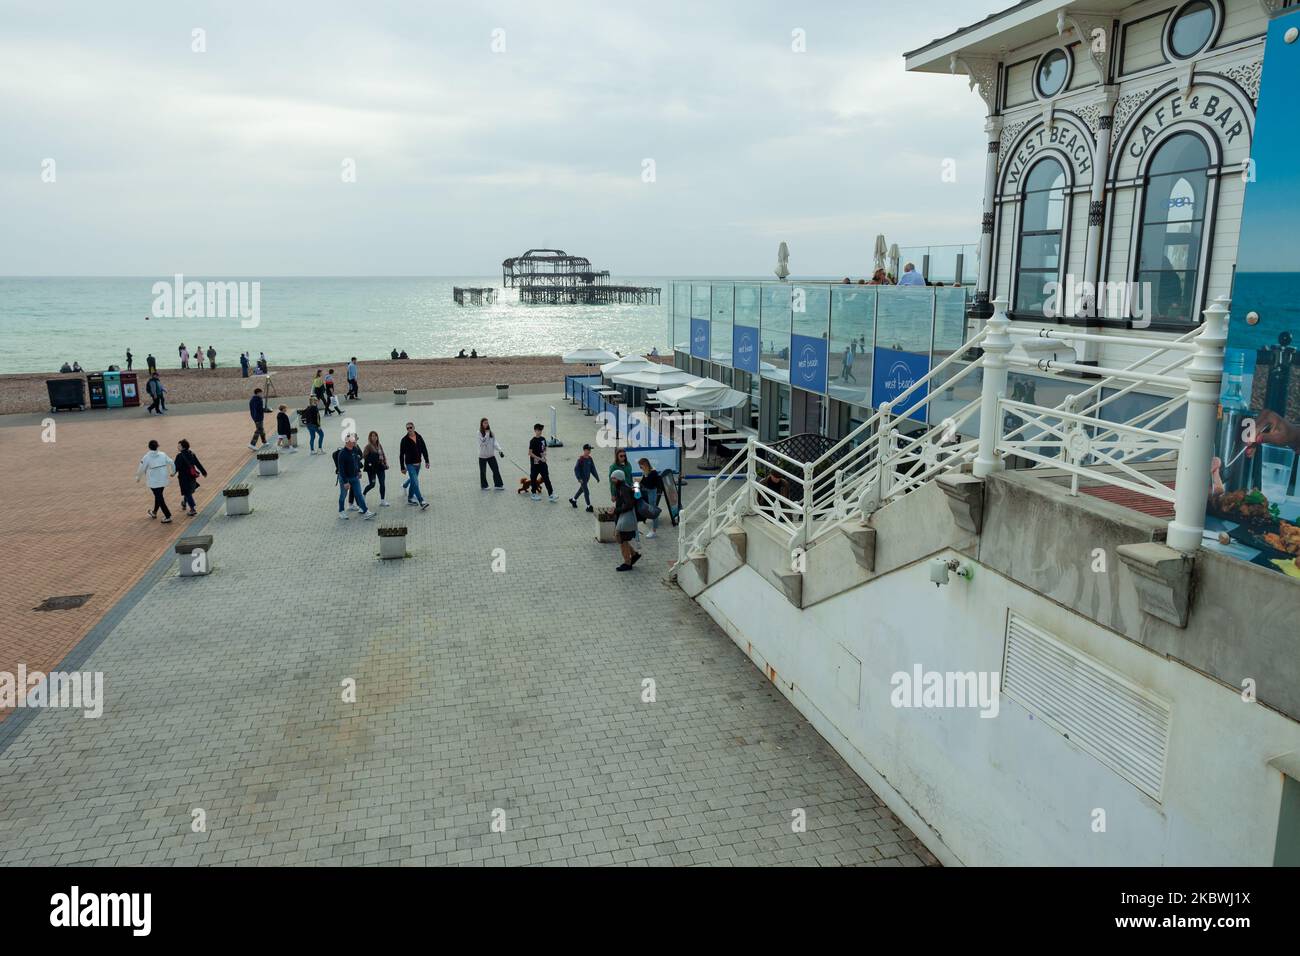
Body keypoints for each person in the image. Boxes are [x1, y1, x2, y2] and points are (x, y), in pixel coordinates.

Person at [333, 434, 376, 520]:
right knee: (343, 495)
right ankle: (341, 511)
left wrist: (359, 471)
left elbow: (356, 461)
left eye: (354, 441)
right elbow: (341, 469)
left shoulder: (355, 449)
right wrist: (345, 482)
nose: (354, 442)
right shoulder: (342, 454)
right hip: (345, 478)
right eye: (352, 441)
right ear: (347, 442)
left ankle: (366, 511)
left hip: (355, 477)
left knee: (359, 494)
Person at [136, 439, 176, 523]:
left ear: (149, 447)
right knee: (158, 496)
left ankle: (168, 516)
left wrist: (138, 477)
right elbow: (172, 462)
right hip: (163, 480)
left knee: (159, 497)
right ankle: (154, 512)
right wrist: (173, 472)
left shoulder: (146, 457)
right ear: (158, 446)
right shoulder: (163, 454)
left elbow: (141, 468)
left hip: (153, 482)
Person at [609, 472, 642, 571]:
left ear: (619, 479)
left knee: (621, 539)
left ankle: (627, 563)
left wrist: (616, 510)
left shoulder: (623, 488)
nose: (612, 480)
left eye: (614, 479)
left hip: (625, 518)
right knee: (621, 539)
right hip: (621, 517)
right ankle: (634, 554)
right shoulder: (621, 487)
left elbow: (628, 505)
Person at [399, 422, 431, 510]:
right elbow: (401, 454)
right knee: (416, 482)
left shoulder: (419, 437)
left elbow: (424, 449)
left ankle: (408, 493)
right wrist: (402, 467)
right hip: (410, 464)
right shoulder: (404, 440)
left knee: (413, 481)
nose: (409, 429)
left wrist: (427, 461)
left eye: (410, 427)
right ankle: (422, 501)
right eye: (407, 428)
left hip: (418, 464)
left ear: (414, 427)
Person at [174, 438, 207, 517]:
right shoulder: (191, 453)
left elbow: (176, 467)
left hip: (183, 477)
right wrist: (203, 472)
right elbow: (197, 463)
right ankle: (184, 502)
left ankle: (192, 509)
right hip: (192, 476)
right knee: (188, 490)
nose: (177, 447)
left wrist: (173, 473)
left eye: (179, 446)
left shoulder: (179, 456)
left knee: (187, 492)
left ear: (183, 447)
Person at [528, 423, 556, 502]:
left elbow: (544, 448)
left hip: (543, 463)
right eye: (538, 430)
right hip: (535, 464)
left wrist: (544, 456)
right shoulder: (532, 441)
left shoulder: (543, 439)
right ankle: (533, 493)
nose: (540, 432)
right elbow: (530, 453)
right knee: (533, 478)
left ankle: (551, 494)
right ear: (535, 431)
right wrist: (539, 458)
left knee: (546, 478)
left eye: (541, 430)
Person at [636, 457, 663, 539]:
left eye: (641, 466)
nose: (641, 468)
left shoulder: (652, 472)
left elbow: (649, 484)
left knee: (653, 510)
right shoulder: (646, 472)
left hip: (651, 492)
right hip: (647, 492)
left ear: (645, 465)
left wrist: (640, 480)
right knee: (646, 508)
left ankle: (654, 530)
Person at [362, 430, 391, 506]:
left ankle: (382, 500)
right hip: (372, 469)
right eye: (372, 436)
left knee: (382, 483)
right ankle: (364, 494)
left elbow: (383, 454)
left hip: (380, 467)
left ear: (377, 437)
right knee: (372, 484)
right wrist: (372, 459)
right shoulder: (368, 446)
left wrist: (385, 463)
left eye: (375, 436)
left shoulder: (379, 445)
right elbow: (364, 456)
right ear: (370, 438)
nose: (374, 437)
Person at [477, 418, 505, 490]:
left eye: (487, 423)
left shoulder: (491, 433)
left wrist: (500, 450)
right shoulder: (479, 433)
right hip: (482, 456)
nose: (486, 424)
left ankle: (498, 485)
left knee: (495, 469)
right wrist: (486, 434)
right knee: (483, 472)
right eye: (484, 423)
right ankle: (484, 486)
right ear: (481, 424)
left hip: (491, 455)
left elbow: (495, 443)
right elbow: (483, 443)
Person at [570, 443, 599, 510]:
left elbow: (593, 469)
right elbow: (576, 469)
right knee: (586, 491)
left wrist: (597, 477)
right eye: (588, 450)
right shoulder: (581, 459)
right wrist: (579, 478)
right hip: (582, 479)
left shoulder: (590, 459)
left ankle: (573, 500)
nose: (589, 451)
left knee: (581, 490)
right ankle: (588, 506)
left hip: (587, 479)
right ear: (584, 450)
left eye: (590, 450)